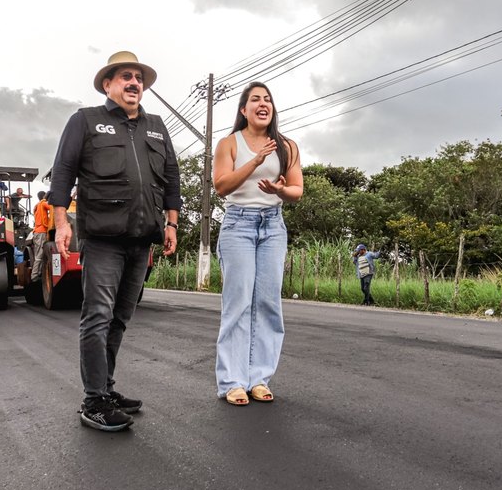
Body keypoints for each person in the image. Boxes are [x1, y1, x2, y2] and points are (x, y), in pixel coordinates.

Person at [48, 50, 181, 432]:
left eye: (138, 77)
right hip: (104, 238)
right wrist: (61, 223)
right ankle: (93, 401)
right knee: (98, 317)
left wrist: (171, 223)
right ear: (108, 84)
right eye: (125, 76)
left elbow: (170, 177)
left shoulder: (156, 125)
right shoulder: (86, 120)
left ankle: (106, 388)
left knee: (120, 318)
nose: (134, 82)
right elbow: (63, 173)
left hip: (143, 240)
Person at [212, 81, 304, 406]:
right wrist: (254, 162)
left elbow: (296, 191)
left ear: (272, 108)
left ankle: (259, 378)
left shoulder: (287, 146)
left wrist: (278, 190)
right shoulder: (229, 143)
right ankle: (233, 381)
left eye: (267, 99)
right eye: (255, 100)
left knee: (267, 303)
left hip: (273, 226)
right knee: (238, 302)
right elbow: (221, 186)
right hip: (238, 223)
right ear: (244, 109)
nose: (262, 104)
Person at [30, 190, 52, 283]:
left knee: (37, 254)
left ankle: (38, 273)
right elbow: (53, 208)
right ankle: (34, 275)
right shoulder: (43, 204)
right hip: (41, 232)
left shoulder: (37, 206)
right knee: (39, 254)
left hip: (37, 232)